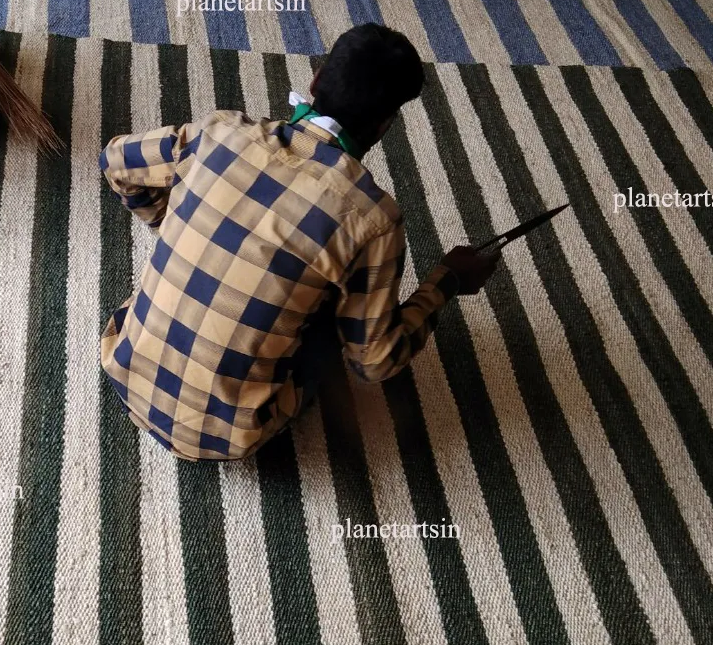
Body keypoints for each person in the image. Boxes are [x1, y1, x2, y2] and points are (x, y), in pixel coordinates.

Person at [99, 23, 499, 462]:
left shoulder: (219, 132)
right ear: (386, 124)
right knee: (333, 317)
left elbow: (116, 160)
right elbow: (375, 361)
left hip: (122, 367)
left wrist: (164, 220)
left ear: (315, 79)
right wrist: (448, 282)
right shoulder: (372, 220)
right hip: (231, 437)